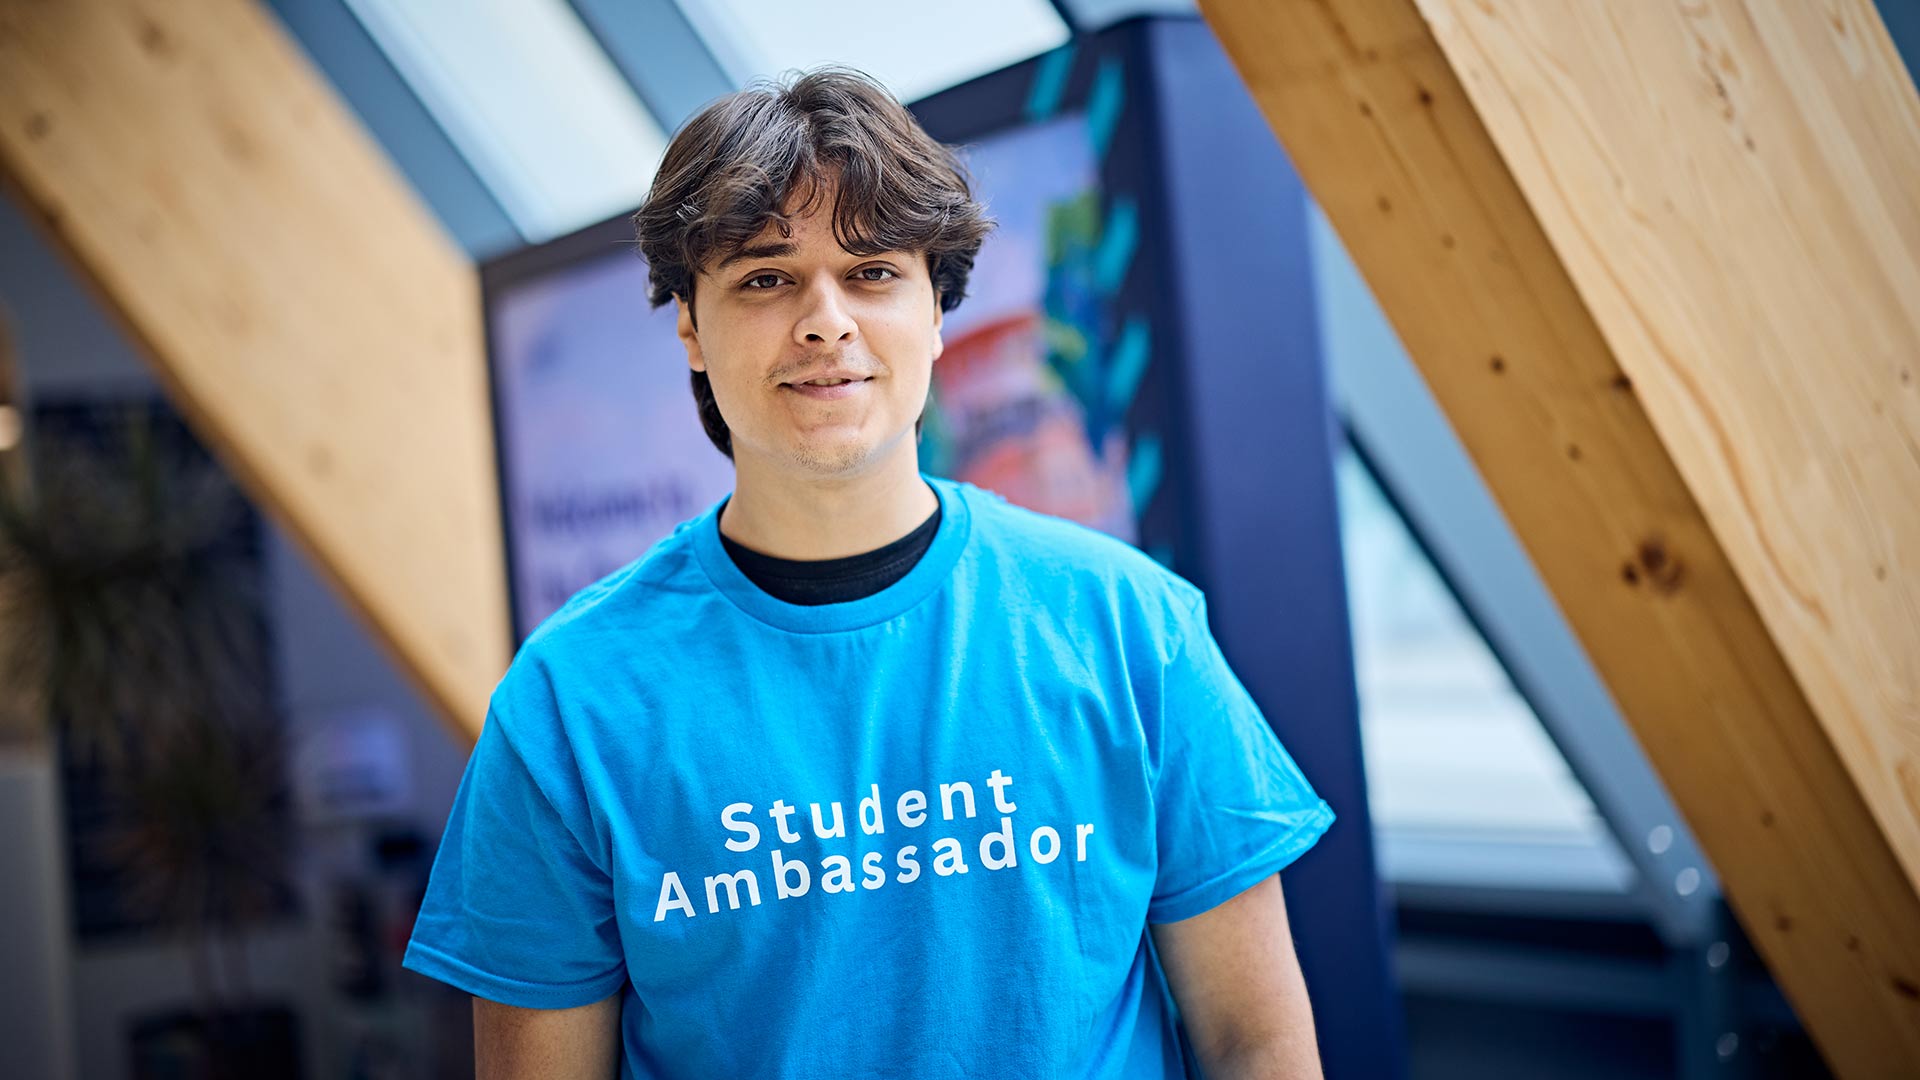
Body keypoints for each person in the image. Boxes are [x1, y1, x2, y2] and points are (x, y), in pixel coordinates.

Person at [403, 66, 1336, 1079]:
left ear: (937, 309)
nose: (825, 320)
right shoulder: (570, 703)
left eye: (874, 272)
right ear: (690, 327)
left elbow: (1254, 1043)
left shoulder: (1128, 627)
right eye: (765, 277)